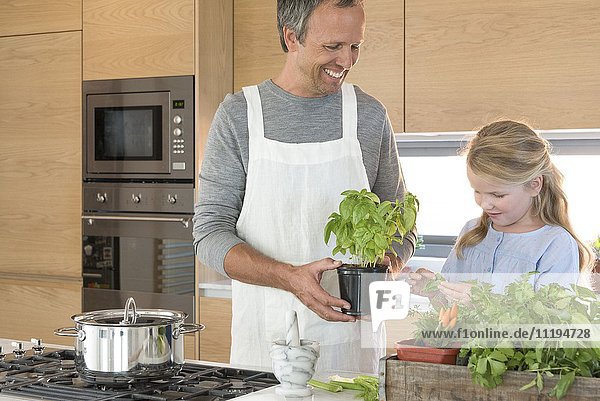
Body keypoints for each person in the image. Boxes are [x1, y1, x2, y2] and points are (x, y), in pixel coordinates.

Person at [192, 0, 416, 373]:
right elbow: (209, 234)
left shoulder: (369, 115)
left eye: (355, 45)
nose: (346, 60)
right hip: (266, 348)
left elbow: (400, 220)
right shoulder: (239, 115)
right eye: (332, 46)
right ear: (291, 37)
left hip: (352, 350)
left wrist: (389, 263)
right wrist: (288, 277)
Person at [410, 120, 594, 304]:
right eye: (477, 191)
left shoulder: (555, 245)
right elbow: (449, 309)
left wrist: (485, 303)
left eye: (497, 195)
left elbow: (552, 324)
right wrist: (434, 291)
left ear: (534, 185)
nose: (485, 204)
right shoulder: (471, 232)